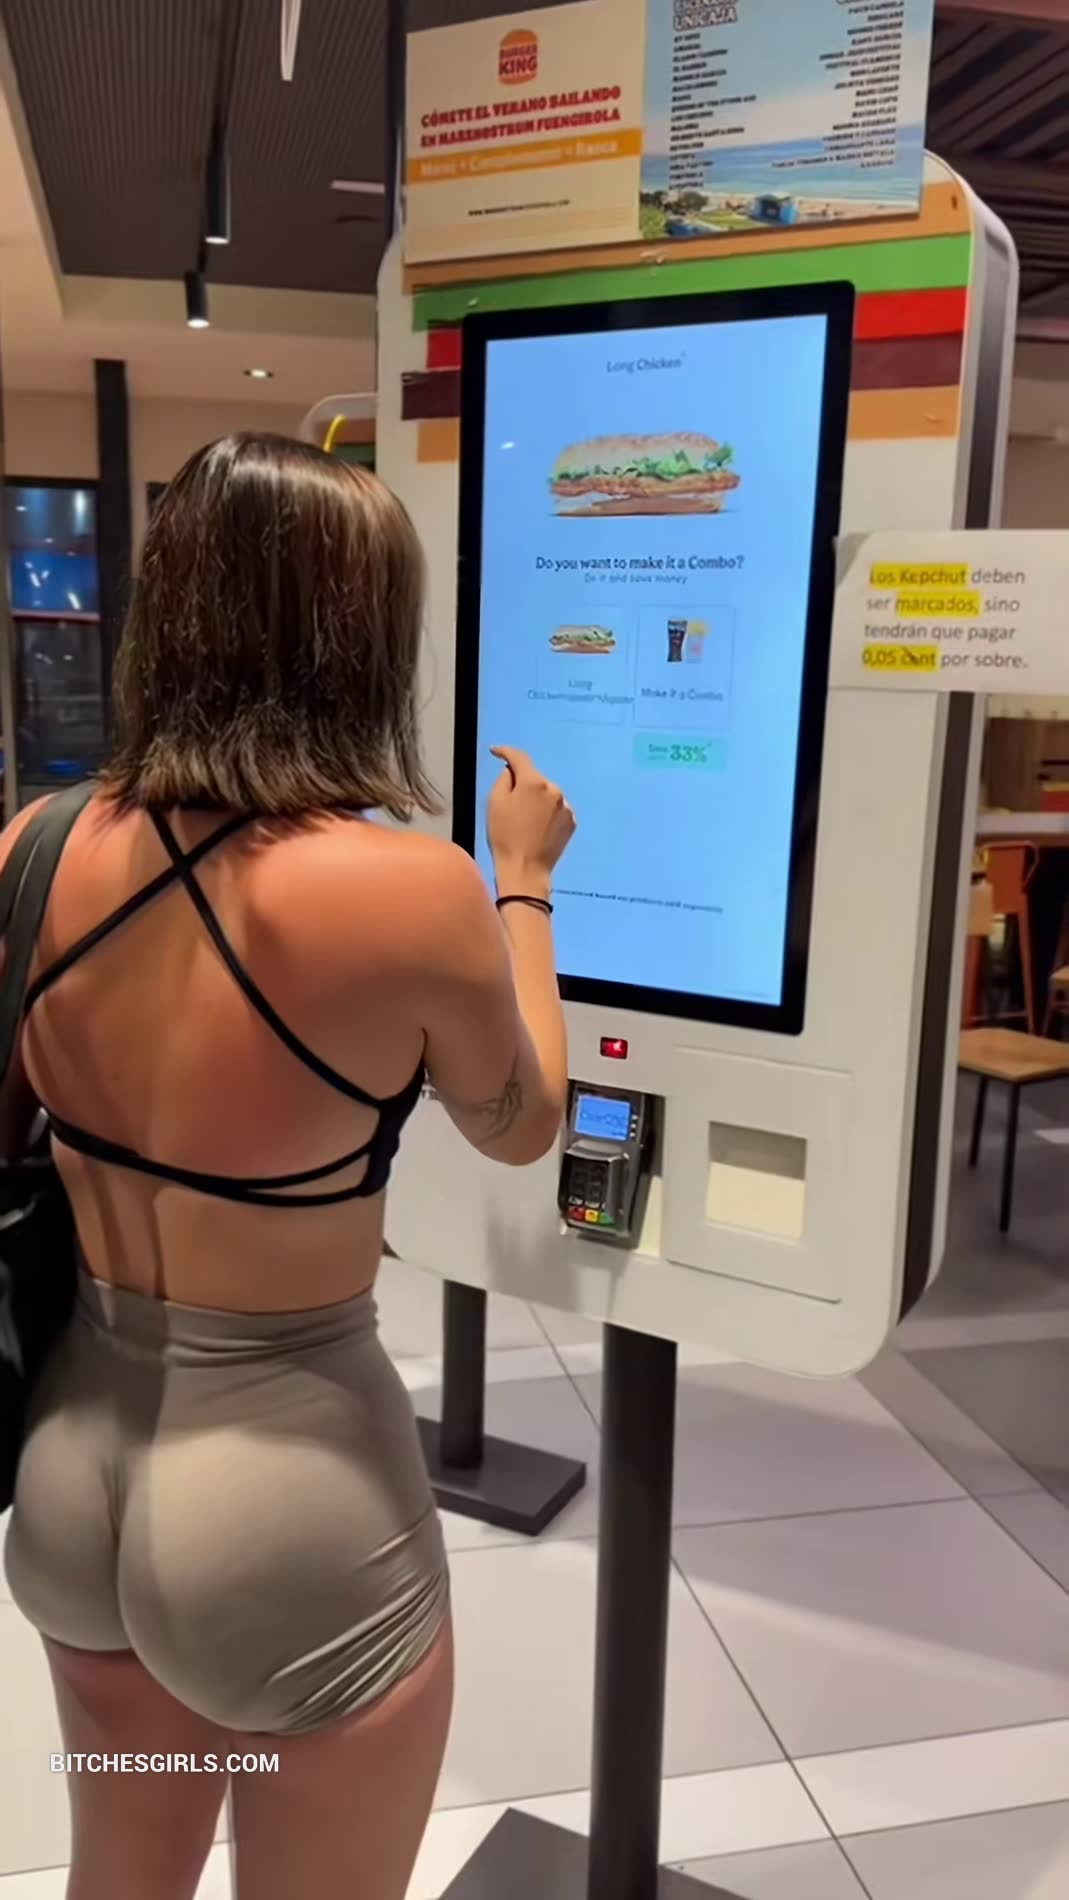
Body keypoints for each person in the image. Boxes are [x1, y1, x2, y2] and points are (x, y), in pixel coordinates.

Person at [0, 433, 575, 1900]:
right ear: (360, 638)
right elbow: (521, 1123)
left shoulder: (37, 844)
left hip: (69, 1469)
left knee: (120, 1875)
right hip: (291, 1504)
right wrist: (521, 884)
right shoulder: (408, 890)